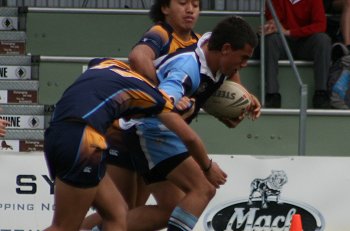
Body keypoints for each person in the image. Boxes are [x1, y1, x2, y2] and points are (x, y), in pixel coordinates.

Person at [43, 58, 227, 231]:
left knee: (117, 213)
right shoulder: (155, 98)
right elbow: (190, 138)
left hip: (57, 132)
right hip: (83, 138)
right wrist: (207, 166)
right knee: (65, 226)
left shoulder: (108, 64)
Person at [262, 0, 332, 109]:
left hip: (306, 43)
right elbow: (274, 21)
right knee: (271, 39)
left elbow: (320, 25)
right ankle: (272, 94)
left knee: (323, 40)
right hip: (284, 43)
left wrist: (290, 32)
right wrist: (271, 26)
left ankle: (321, 94)